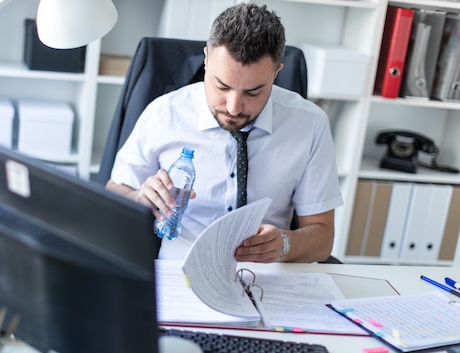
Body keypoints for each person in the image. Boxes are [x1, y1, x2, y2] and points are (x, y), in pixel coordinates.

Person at [105, 2, 343, 263]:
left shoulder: (309, 123)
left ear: (276, 73)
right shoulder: (164, 113)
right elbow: (116, 189)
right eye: (222, 86)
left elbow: (322, 239)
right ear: (206, 59)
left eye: (252, 92)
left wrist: (284, 244)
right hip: (179, 270)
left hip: (266, 279)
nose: (233, 107)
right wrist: (139, 197)